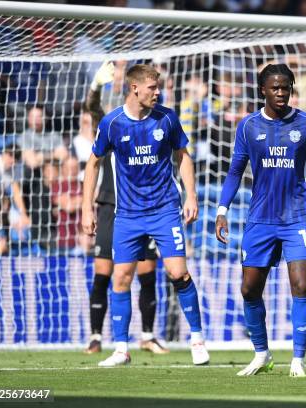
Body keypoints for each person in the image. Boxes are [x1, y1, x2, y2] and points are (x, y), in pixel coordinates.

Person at [215, 64, 306, 377]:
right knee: (249, 289)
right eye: (275, 88)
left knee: (300, 285)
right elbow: (235, 172)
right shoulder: (247, 127)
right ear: (263, 90)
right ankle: (262, 354)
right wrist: (222, 210)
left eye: (286, 87)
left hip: (296, 217)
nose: (282, 93)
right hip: (260, 218)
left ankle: (298, 360)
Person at [81, 64, 209, 367]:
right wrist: (87, 207)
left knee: (178, 273)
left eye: (158, 87)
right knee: (121, 278)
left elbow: (183, 157)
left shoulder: (167, 118)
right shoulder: (113, 123)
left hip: (164, 210)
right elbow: (92, 164)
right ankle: (121, 349)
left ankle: (197, 340)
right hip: (127, 214)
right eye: (153, 87)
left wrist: (191, 195)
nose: (158, 92)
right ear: (134, 88)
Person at [82, 62, 170, 356]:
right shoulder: (110, 123)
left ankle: (147, 335)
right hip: (110, 204)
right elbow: (92, 107)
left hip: (142, 206)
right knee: (105, 272)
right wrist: (96, 85)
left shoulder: (149, 122)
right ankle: (96, 336)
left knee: (147, 272)